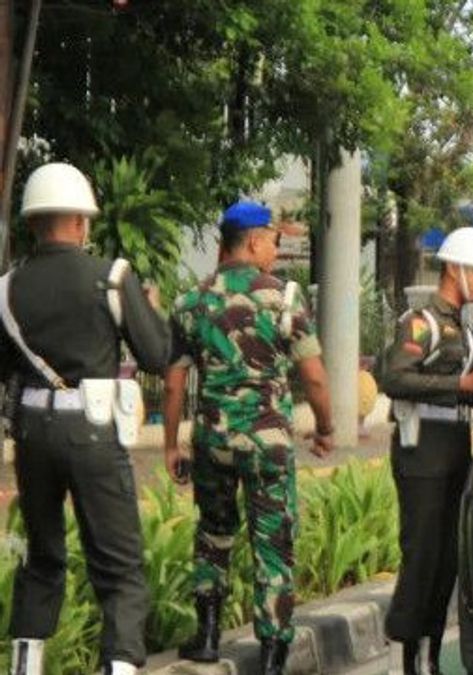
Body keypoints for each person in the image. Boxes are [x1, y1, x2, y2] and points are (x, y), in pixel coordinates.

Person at [1, 162, 172, 675]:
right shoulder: (112, 278)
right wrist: (151, 309)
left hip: (32, 434)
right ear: (80, 222)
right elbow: (157, 356)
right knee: (119, 566)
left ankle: (25, 667)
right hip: (93, 431)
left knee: (43, 556)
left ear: (33, 223)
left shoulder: (6, 289)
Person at [163, 201, 335, 675]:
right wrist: (324, 428)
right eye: (274, 242)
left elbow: (174, 382)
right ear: (255, 240)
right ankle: (273, 657)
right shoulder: (283, 298)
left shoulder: (190, 302)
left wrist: (170, 444)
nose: (276, 253)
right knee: (273, 543)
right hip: (267, 444)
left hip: (212, 442)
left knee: (213, 534)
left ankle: (208, 635)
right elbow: (315, 378)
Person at [376, 227, 473, 675]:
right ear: (454, 268)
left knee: (448, 558)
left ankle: (429, 654)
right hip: (421, 450)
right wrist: (463, 384)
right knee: (422, 554)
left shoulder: (462, 331)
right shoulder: (420, 322)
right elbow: (394, 378)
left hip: (453, 451)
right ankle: (403, 657)